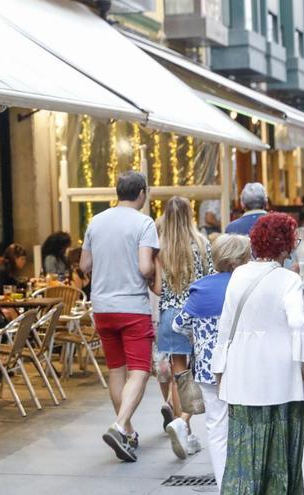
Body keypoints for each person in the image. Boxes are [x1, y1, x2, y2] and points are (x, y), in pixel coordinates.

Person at [210, 213, 304, 493]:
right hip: (281, 378)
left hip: (243, 372)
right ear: (284, 245)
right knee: (281, 450)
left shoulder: (239, 275)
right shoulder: (288, 280)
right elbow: (297, 323)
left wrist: (219, 368)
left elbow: (225, 326)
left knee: (244, 447)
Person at [80, 170, 159, 462]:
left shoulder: (96, 221)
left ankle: (126, 431)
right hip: (132, 307)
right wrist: (153, 267)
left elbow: (84, 264)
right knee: (140, 371)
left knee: (117, 370)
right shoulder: (144, 223)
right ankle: (117, 425)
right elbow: (144, 268)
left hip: (102, 307)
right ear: (141, 193)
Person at [173, 234, 251, 490]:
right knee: (246, 425)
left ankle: (223, 486)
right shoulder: (247, 285)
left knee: (217, 428)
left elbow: (178, 324)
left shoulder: (201, 287)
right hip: (244, 365)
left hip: (208, 369)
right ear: (239, 259)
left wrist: (198, 337)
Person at [150, 196, 212, 459]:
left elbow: (157, 288)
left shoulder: (159, 248)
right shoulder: (201, 243)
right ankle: (182, 424)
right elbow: (209, 278)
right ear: (190, 215)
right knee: (194, 372)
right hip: (195, 314)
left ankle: (182, 425)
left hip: (169, 316)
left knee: (179, 372)